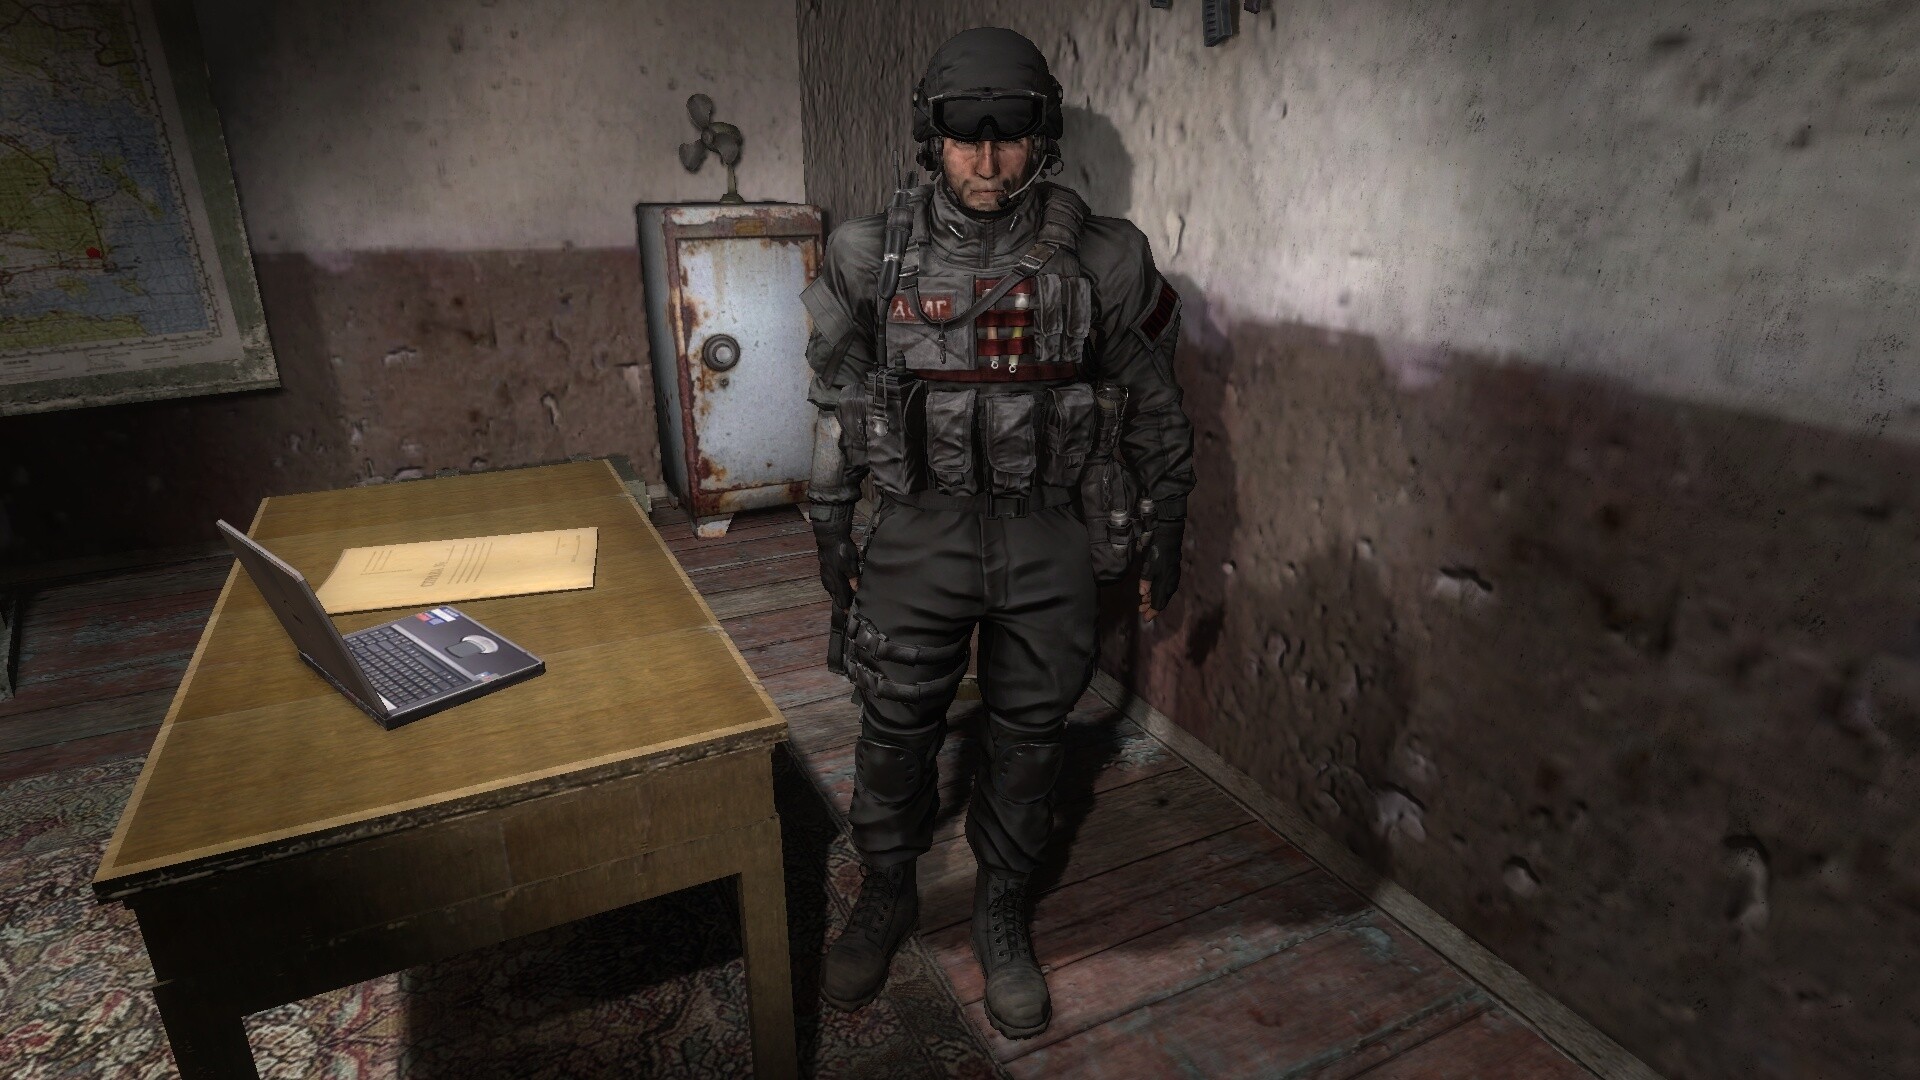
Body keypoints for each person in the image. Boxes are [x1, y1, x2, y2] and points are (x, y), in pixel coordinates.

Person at [799, 25, 1195, 1040]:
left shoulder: (1105, 257)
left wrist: (1167, 520)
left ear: (1041, 136)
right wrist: (831, 529)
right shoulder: (867, 255)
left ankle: (1002, 908)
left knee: (1029, 740)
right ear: (929, 137)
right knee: (894, 730)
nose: (985, 159)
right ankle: (886, 888)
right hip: (918, 531)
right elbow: (837, 403)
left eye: (1008, 132)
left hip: (1044, 533)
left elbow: (1152, 403)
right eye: (963, 134)